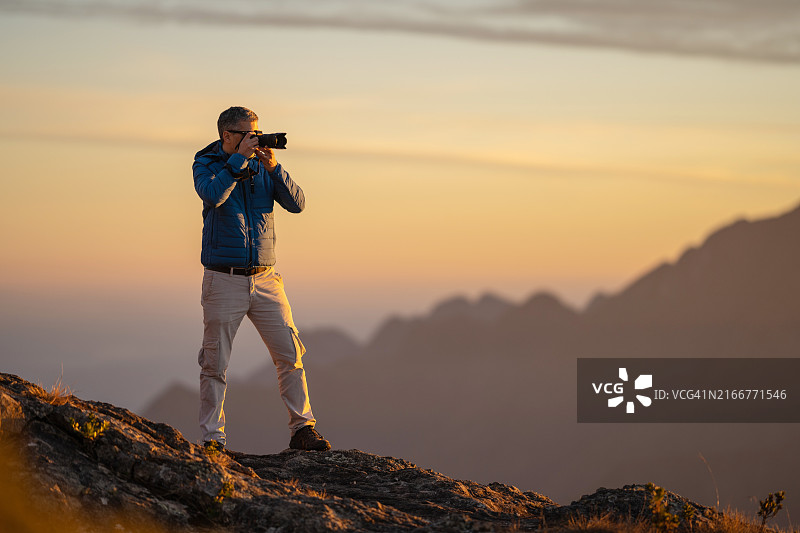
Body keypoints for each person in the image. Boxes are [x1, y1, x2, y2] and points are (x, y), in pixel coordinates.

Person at [192, 106, 330, 452]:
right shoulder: (206, 163)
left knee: (290, 354)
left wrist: (274, 168)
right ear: (227, 135)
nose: (255, 139)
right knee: (215, 362)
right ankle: (213, 440)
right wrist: (237, 162)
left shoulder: (262, 165)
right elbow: (213, 195)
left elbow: (297, 204)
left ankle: (303, 429)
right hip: (224, 279)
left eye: (257, 132)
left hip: (266, 278)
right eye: (247, 134)